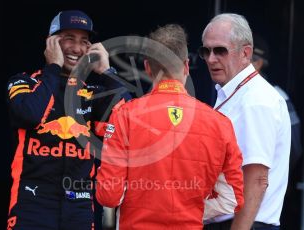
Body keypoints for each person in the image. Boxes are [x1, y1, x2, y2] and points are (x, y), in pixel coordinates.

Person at [95, 24, 244, 229]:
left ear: (147, 67)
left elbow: (109, 196)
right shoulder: (220, 123)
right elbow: (232, 198)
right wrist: (190, 210)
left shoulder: (125, 115)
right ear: (186, 65)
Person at [6, 10, 128, 230]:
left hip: (79, 209)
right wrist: (52, 67)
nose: (77, 48)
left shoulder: (92, 94)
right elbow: (31, 114)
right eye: (69, 38)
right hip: (31, 205)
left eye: (84, 41)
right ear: (51, 43)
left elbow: (128, 124)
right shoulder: (23, 83)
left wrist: (107, 72)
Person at [199, 13, 291, 229]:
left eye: (220, 50)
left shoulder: (255, 99)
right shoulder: (237, 94)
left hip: (244, 223)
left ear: (245, 53)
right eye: (206, 51)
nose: (211, 59)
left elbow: (257, 180)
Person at [252, 34, 302, 172]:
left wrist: (270, 179)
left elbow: (294, 147)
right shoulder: (227, 92)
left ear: (257, 63)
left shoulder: (278, 97)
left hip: (265, 188)